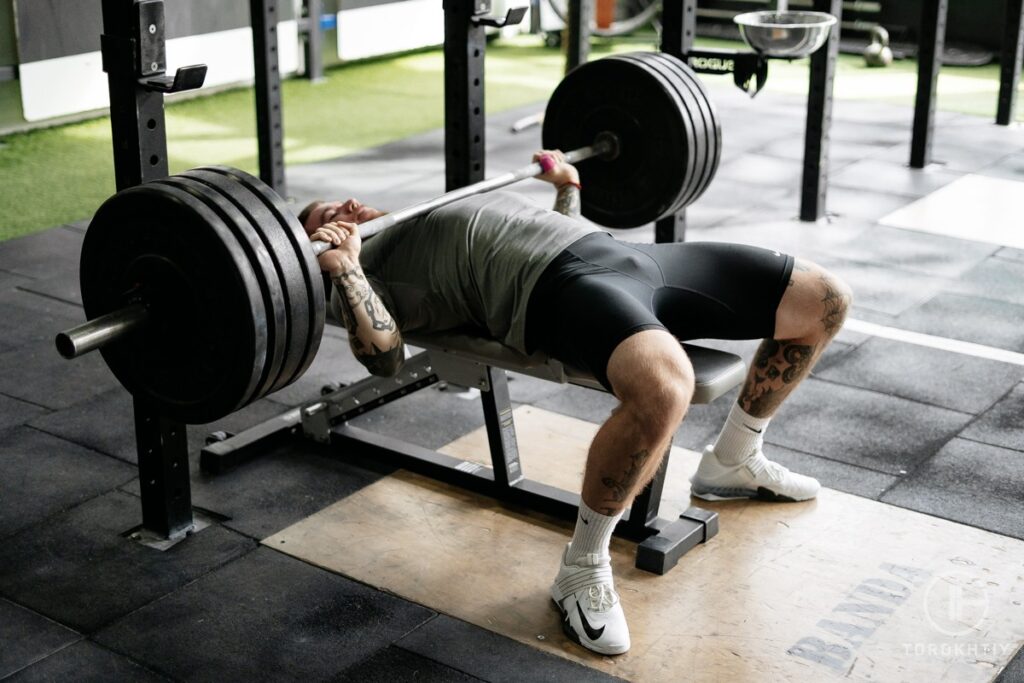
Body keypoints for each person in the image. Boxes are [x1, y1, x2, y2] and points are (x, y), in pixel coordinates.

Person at [299, 150, 852, 656]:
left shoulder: (424, 210)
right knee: (664, 387)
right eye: (328, 215)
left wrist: (567, 187)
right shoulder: (372, 273)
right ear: (317, 247)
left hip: (627, 255)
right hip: (559, 292)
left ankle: (733, 459)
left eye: (341, 201)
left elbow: (540, 229)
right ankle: (582, 568)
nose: (346, 205)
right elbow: (384, 357)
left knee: (822, 298)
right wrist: (346, 266)